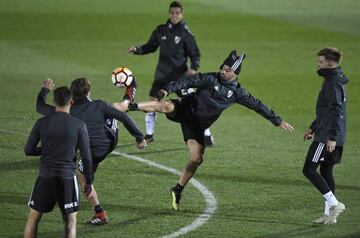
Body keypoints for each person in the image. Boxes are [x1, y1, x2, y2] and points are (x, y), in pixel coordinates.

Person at [128, 50, 294, 210]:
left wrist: (277, 121)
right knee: (165, 106)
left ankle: (177, 189)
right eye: (223, 67)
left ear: (235, 73)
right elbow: (189, 81)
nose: (223, 71)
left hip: (197, 126)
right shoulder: (211, 78)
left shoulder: (238, 93)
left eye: (228, 70)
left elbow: (258, 105)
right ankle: (129, 106)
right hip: (185, 108)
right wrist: (168, 89)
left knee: (196, 159)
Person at [36, 78, 147, 225]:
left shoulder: (67, 111)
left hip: (93, 151)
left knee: (82, 176)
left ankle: (100, 214)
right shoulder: (99, 105)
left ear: (71, 93)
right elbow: (124, 118)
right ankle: (130, 91)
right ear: (89, 91)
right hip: (110, 139)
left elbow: (40, 107)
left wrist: (44, 90)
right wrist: (139, 137)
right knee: (114, 109)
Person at [128, 1, 214, 146]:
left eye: (177, 13)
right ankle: (149, 134)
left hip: (180, 78)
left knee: (194, 105)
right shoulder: (160, 30)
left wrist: (193, 68)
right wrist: (138, 50)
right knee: (152, 102)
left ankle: (207, 134)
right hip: (162, 75)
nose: (174, 15)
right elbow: (150, 46)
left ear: (182, 14)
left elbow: (195, 54)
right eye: (172, 13)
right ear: (169, 13)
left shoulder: (185, 33)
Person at [24, 86, 94, 238]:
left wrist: (48, 148)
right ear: (72, 102)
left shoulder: (42, 122)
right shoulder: (79, 125)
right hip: (67, 178)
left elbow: (28, 150)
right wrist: (89, 181)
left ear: (54, 102)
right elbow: (87, 156)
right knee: (70, 222)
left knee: (33, 220)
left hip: (45, 177)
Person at [303, 47, 348, 225]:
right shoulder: (335, 79)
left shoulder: (332, 82)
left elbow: (337, 111)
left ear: (330, 63)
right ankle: (330, 214)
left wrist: (331, 137)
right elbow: (327, 110)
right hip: (330, 132)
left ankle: (335, 204)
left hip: (327, 136)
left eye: (321, 62)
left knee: (308, 169)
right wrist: (313, 126)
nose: (318, 64)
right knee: (326, 170)